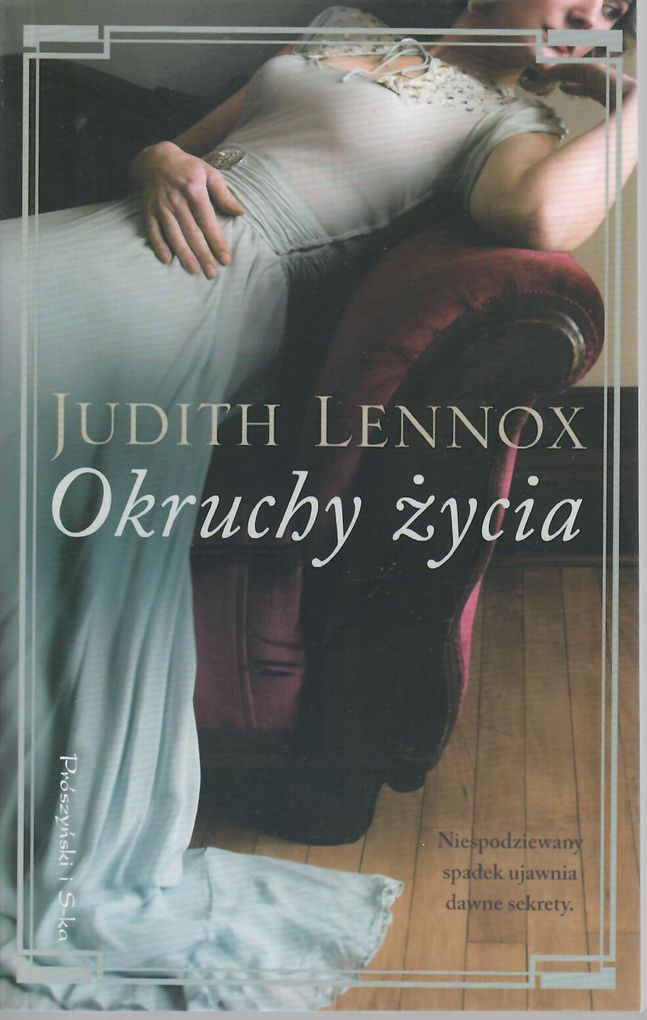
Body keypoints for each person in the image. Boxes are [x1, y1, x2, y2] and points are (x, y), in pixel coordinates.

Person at [0, 0, 637, 1011]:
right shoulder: (343, 22)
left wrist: (635, 100)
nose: (594, 15)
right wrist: (158, 161)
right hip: (112, 232)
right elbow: (186, 144)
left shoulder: (509, 123)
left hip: (204, 289)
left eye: (610, 13)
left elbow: (546, 224)